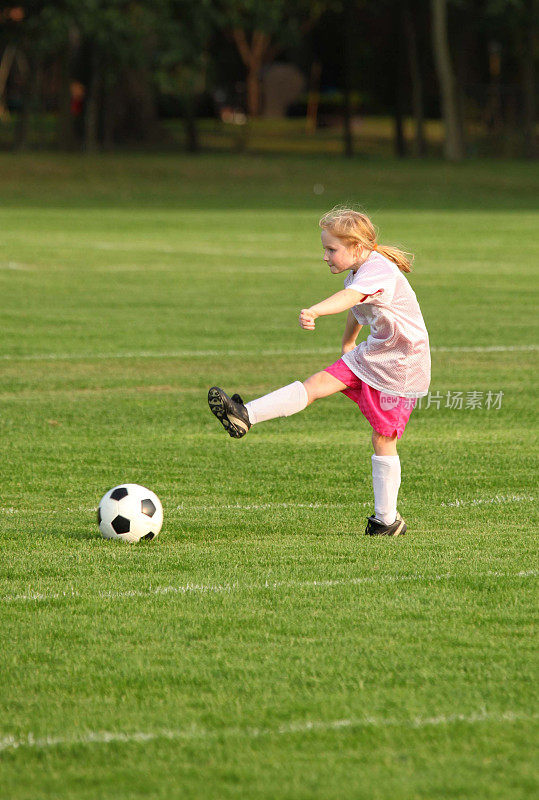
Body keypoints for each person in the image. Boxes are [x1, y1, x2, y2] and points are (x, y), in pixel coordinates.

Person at [208, 207, 431, 536]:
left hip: (402, 364)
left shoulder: (378, 269)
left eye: (331, 249)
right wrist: (349, 341)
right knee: (315, 385)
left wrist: (315, 310)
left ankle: (387, 520)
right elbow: (359, 305)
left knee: (383, 438)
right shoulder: (358, 272)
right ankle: (244, 414)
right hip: (374, 353)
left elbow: (351, 298)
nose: (325, 256)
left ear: (355, 246)